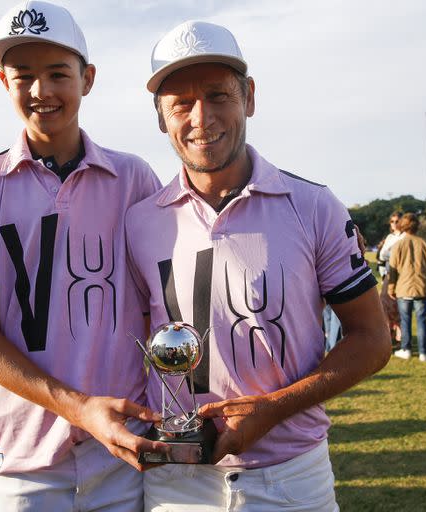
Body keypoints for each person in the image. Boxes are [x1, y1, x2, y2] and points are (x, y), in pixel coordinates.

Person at [126, 20, 390, 511]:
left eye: (218, 95)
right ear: (161, 117)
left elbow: (372, 338)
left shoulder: (313, 205)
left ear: (249, 96)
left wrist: (271, 410)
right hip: (176, 482)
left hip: (292, 474)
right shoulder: (138, 221)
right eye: (180, 104)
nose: (201, 118)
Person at [0, 2, 164, 509]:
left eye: (58, 74)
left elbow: (162, 310)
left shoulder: (134, 178)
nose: (41, 91)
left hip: (122, 450)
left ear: (87, 79)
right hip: (24, 460)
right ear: (4, 82)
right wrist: (79, 408)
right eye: (24, 76)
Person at [387, 212, 426, 361]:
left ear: (402, 225)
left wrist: (391, 288)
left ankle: (406, 349)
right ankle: (424, 352)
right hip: (423, 288)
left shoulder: (398, 245)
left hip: (403, 289)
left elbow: (393, 270)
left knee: (405, 320)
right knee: (422, 320)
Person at [378, 212, 403, 343]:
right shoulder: (389, 237)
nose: (394, 223)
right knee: (384, 306)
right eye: (392, 221)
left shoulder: (405, 237)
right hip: (388, 275)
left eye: (397, 220)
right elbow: (382, 257)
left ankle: (400, 336)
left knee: (399, 307)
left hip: (401, 277)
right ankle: (389, 334)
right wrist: (383, 275)